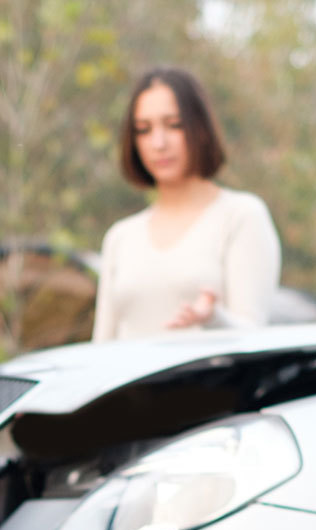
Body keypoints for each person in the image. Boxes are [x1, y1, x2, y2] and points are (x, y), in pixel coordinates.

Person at [93, 68, 281, 341]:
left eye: (174, 125)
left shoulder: (241, 215)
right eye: (144, 130)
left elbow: (254, 337)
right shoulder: (120, 237)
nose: (159, 143)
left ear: (201, 129)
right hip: (133, 385)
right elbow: (102, 348)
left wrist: (212, 319)